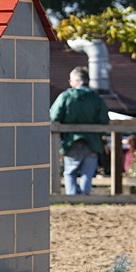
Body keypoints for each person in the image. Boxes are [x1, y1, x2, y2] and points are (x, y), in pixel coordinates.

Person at [50, 66, 109, 195]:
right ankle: (84, 198)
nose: (70, 83)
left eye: (71, 80)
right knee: (88, 173)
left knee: (70, 172)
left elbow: (54, 116)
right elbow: (104, 119)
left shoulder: (66, 96)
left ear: (77, 81)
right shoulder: (96, 98)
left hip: (71, 141)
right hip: (93, 142)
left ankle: (72, 198)